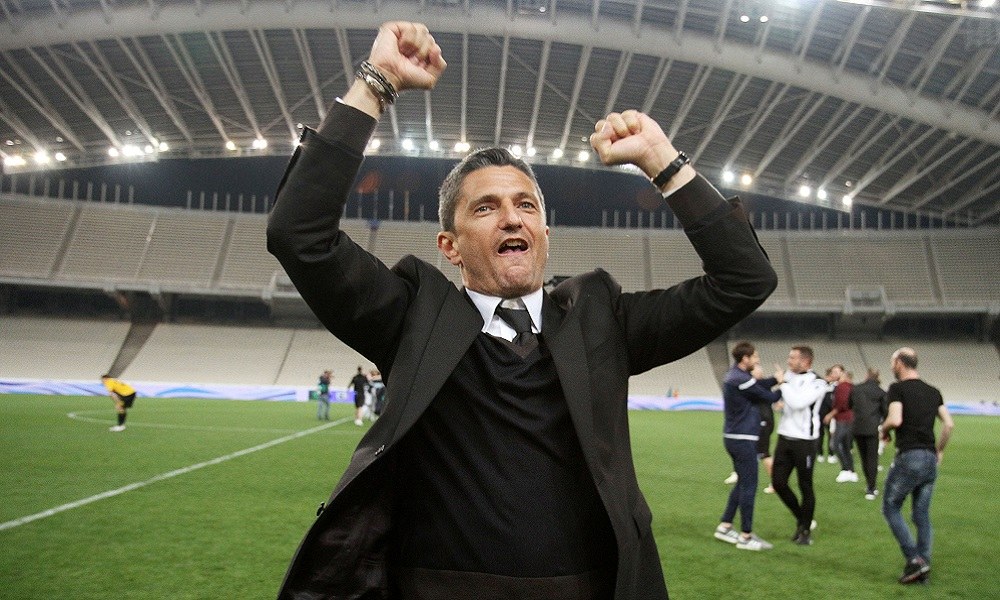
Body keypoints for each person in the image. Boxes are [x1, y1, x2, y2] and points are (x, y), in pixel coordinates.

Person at [266, 21, 777, 600]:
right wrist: (375, 83)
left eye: (526, 205)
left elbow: (745, 280)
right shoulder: (413, 317)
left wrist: (663, 160)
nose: (512, 217)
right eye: (485, 208)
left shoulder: (602, 321)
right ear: (450, 246)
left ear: (545, 235)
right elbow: (299, 235)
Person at [880, 347, 954, 585]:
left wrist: (883, 429)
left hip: (910, 455)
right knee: (921, 514)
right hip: (930, 458)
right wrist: (939, 450)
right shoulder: (933, 391)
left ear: (900, 363)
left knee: (891, 507)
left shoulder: (897, 389)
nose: (891, 366)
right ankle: (923, 566)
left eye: (892, 362)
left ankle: (914, 559)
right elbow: (949, 424)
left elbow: (895, 419)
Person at [714, 342, 781, 551]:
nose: (757, 360)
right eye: (755, 357)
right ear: (745, 358)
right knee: (749, 485)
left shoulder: (736, 376)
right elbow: (770, 396)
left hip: (734, 436)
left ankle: (725, 525)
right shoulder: (741, 379)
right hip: (743, 438)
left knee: (743, 482)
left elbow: (760, 385)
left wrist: (775, 380)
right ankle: (746, 536)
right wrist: (784, 385)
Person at [771, 346, 827, 546]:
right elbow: (782, 399)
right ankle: (803, 519)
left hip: (805, 441)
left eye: (793, 357)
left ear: (806, 361)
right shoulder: (788, 377)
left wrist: (783, 384)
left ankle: (804, 531)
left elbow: (797, 402)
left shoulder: (818, 382)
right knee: (778, 483)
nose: (789, 361)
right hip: (785, 437)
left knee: (805, 485)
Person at [850, 367, 888, 499]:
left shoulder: (856, 389)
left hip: (857, 427)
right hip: (872, 428)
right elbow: (885, 411)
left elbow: (849, 404)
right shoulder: (880, 392)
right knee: (872, 458)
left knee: (863, 457)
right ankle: (871, 487)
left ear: (867, 375)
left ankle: (868, 483)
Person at [825, 370, 858, 483]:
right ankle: (852, 471)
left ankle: (845, 469)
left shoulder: (842, 387)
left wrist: (831, 414)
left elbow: (841, 404)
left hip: (842, 419)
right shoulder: (852, 387)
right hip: (851, 418)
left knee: (835, 444)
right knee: (845, 446)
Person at [817, 364, 844, 463]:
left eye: (837, 372)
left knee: (832, 434)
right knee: (820, 433)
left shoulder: (841, 386)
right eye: (833, 372)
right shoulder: (825, 384)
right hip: (821, 413)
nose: (834, 374)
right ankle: (819, 453)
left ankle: (831, 453)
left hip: (834, 413)